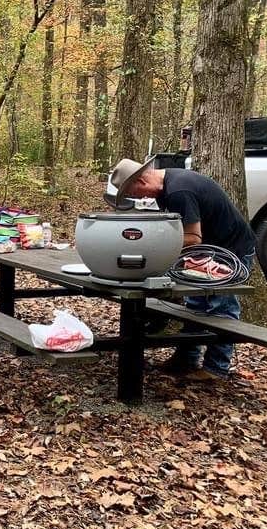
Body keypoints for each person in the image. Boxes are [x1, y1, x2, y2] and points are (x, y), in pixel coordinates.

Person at [106, 157, 257, 382]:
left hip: (230, 252)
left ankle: (216, 369)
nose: (140, 199)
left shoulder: (179, 191)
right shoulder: (167, 186)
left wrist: (153, 247)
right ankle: (186, 359)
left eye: (136, 194)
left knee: (222, 308)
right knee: (196, 305)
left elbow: (193, 238)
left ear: (141, 181)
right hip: (207, 253)